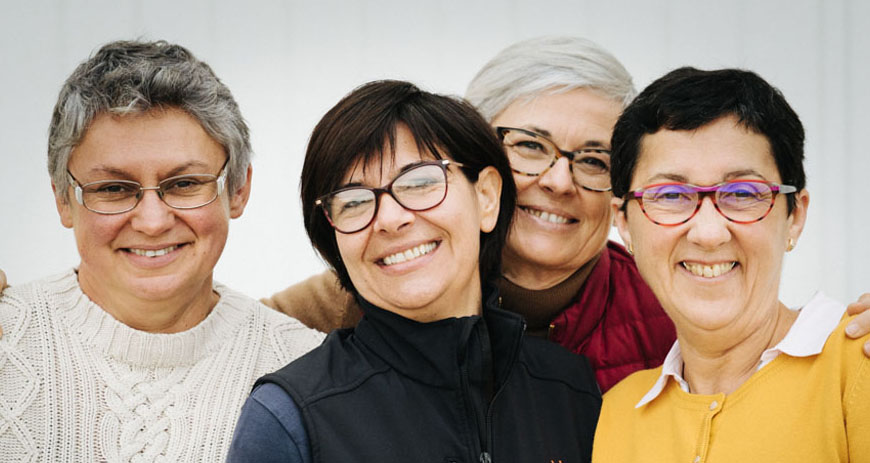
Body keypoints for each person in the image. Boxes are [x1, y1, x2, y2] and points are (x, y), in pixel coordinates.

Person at [254, 36, 870, 392]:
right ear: (480, 168)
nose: (558, 180)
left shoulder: (669, 306)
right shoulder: (344, 299)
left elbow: (776, 347)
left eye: (595, 160)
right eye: (529, 146)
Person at [226, 80, 602, 462]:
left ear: (486, 197)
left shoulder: (570, 390)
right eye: (353, 202)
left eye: (420, 181)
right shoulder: (290, 418)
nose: (389, 219)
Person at [0, 40, 323, 461]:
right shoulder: (8, 340)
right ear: (63, 199)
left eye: (185, 184)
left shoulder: (310, 371)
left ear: (239, 188)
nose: (152, 222)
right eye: (113, 189)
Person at [592, 67, 869, 462]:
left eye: (742, 192)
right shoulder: (619, 413)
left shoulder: (858, 367)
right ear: (624, 223)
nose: (708, 233)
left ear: (795, 216)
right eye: (670, 195)